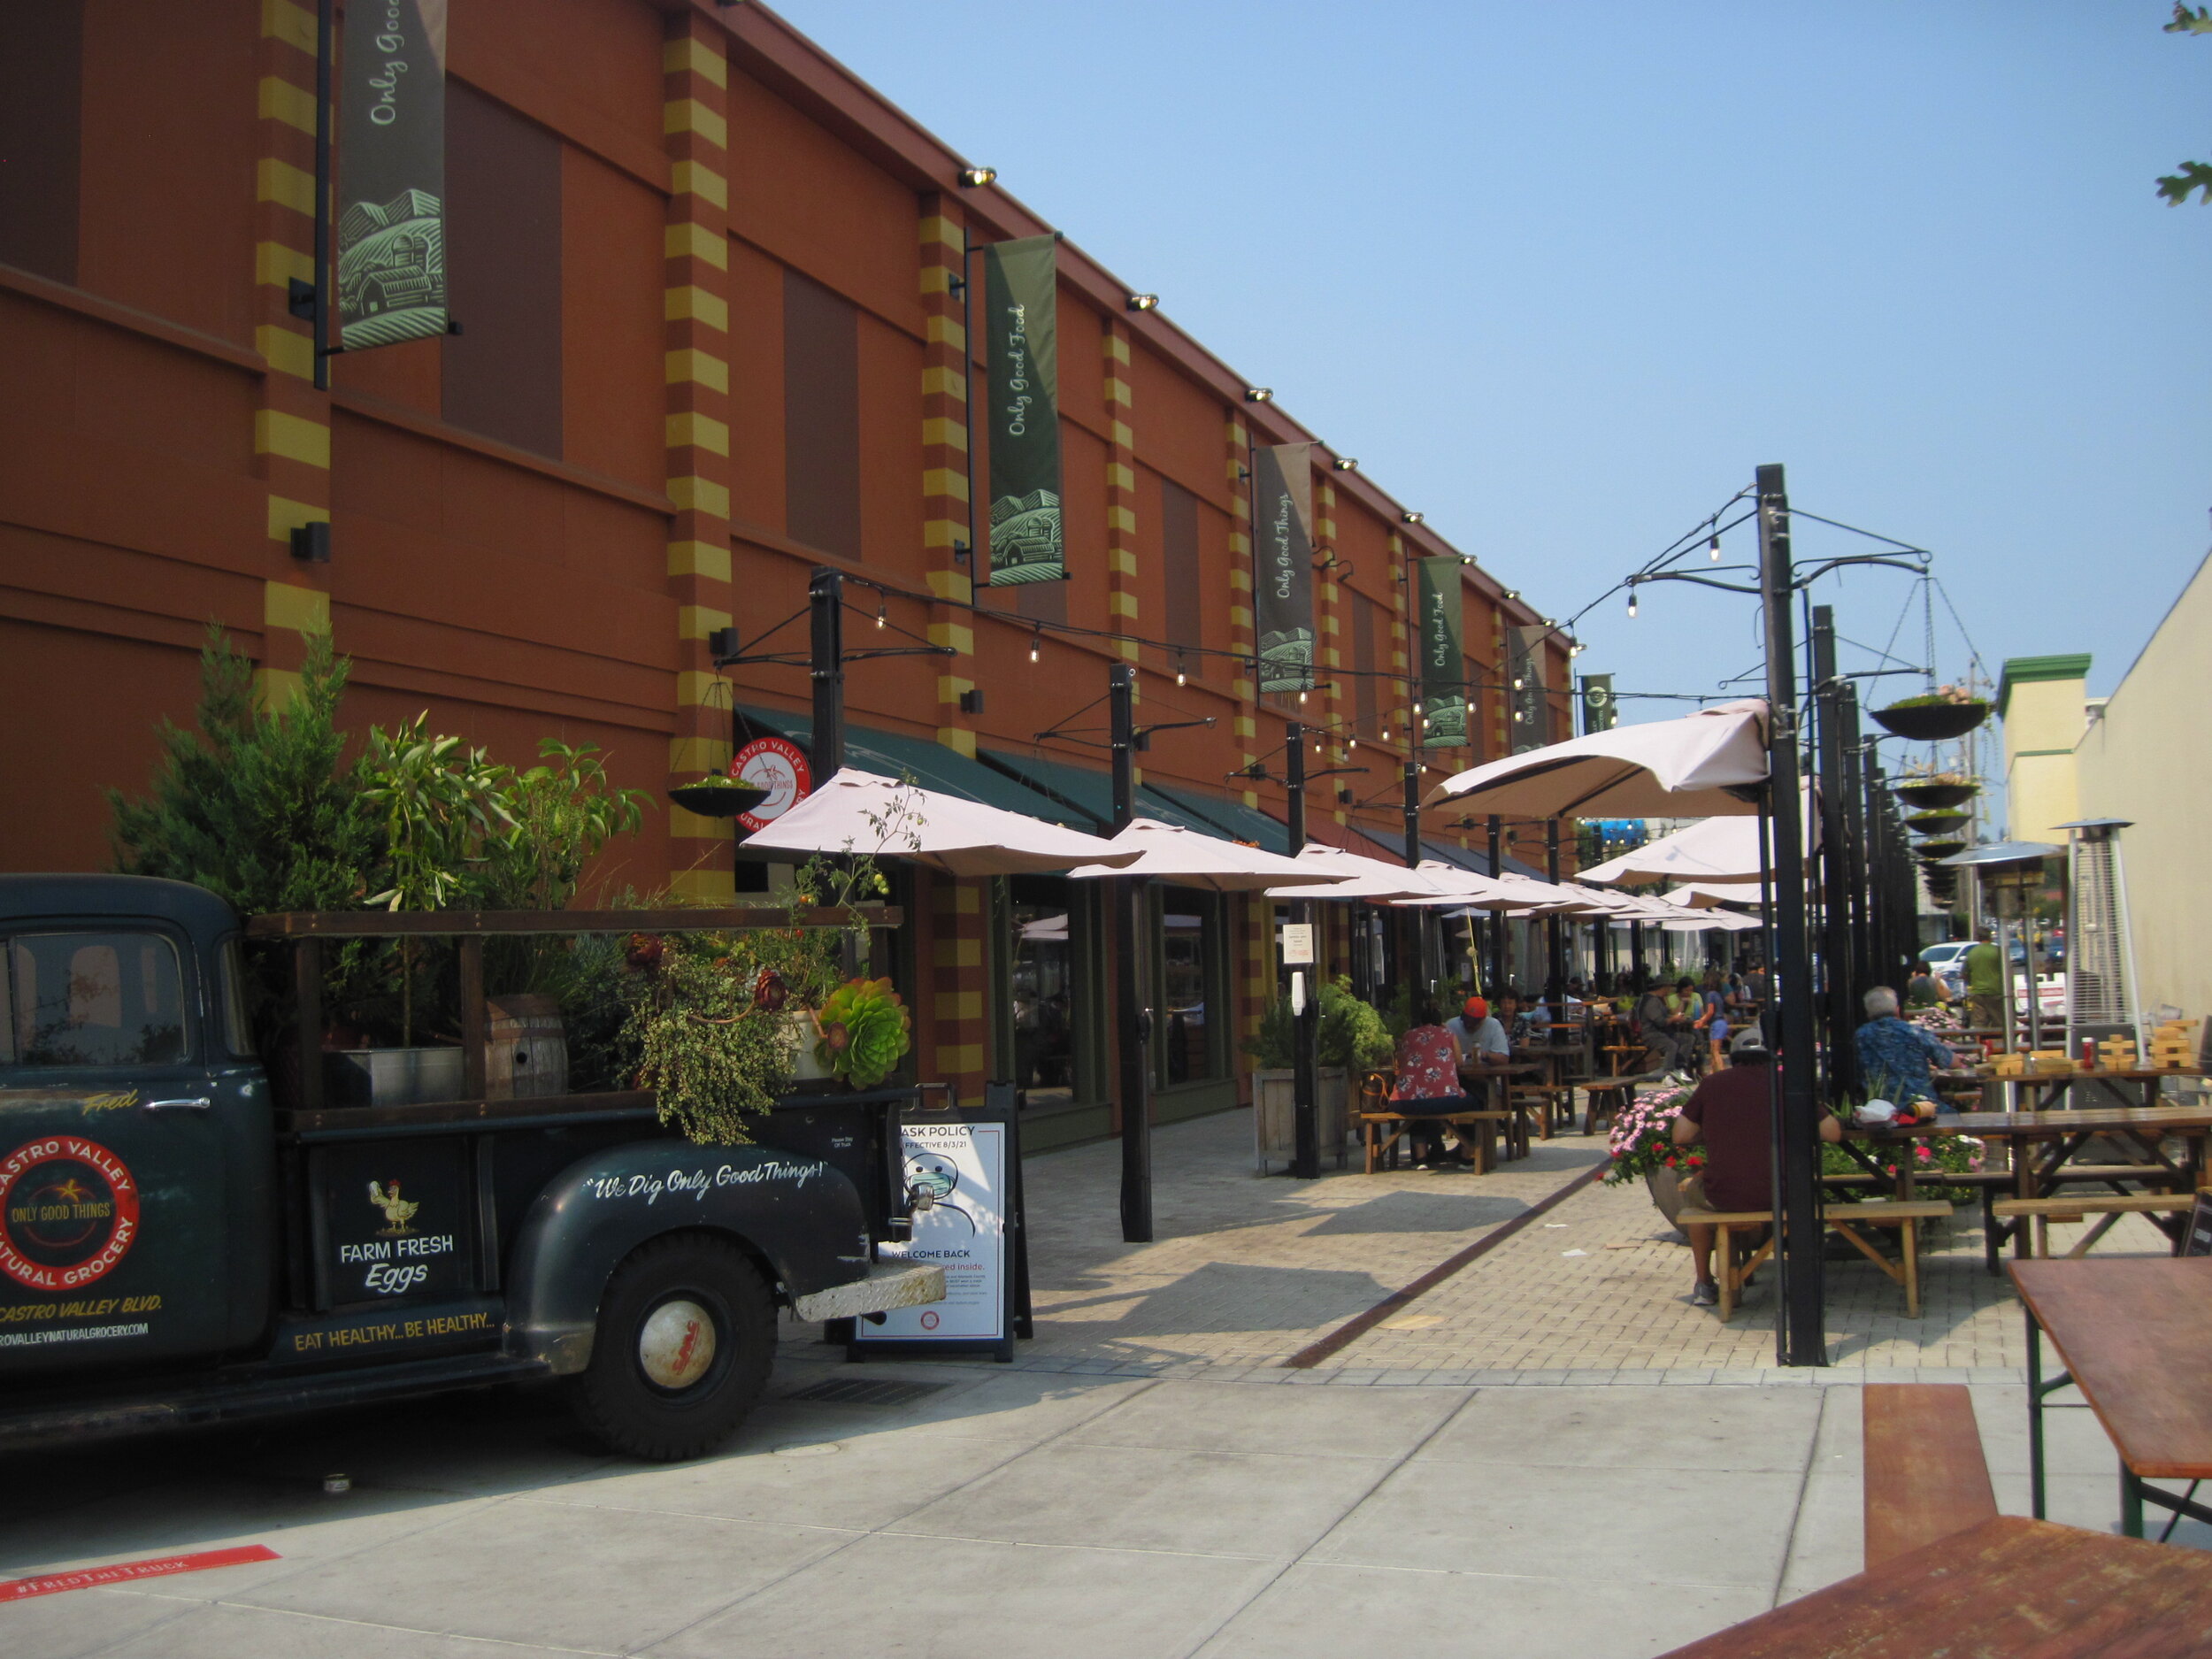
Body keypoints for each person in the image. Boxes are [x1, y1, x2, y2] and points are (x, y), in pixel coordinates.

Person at [1672, 1036, 1844, 1306]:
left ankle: (1704, 1283)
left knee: (1693, 1197)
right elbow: (1833, 1133)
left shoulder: (1712, 1084)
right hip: (1786, 1192)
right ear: (1770, 1057)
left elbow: (1681, 1136)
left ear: (1734, 1057)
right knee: (1802, 1193)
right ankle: (1796, 1275)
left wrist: (1713, 1134)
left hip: (1726, 1195)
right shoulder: (1789, 1082)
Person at [1390, 997, 1471, 1169]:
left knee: (1418, 1107)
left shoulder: (1408, 1035)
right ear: (1440, 1021)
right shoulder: (1448, 1034)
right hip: (1444, 1099)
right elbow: (1459, 1062)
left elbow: (1400, 1062)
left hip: (1404, 1101)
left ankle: (1420, 1159)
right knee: (1476, 1104)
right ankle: (1466, 1154)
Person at [1855, 986, 1958, 1113]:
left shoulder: (1860, 1036)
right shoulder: (1914, 1032)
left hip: (1880, 1112)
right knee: (1953, 1115)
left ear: (1868, 1014)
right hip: (1921, 1108)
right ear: (1897, 1010)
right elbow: (1952, 1062)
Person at [1964, 927, 2003, 1029]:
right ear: (1990, 937)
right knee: (1999, 1023)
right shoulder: (1998, 951)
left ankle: (1980, 1044)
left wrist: (1971, 984)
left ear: (1978, 938)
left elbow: (1965, 973)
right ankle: (1999, 1044)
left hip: (1978, 993)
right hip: (1997, 992)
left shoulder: (1971, 953)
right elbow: (2007, 971)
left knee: (1979, 1023)